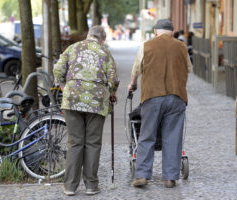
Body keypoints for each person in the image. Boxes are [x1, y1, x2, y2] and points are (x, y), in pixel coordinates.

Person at [53, 25, 119, 196]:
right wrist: (111, 93)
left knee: (75, 142)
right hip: (97, 102)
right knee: (92, 143)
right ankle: (91, 185)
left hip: (72, 99)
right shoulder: (105, 53)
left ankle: (70, 187)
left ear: (88, 35)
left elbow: (58, 69)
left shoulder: (72, 48)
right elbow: (113, 79)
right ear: (102, 39)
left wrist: (63, 87)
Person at [128, 19, 193, 188]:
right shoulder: (182, 47)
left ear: (156, 32)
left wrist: (133, 85)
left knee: (147, 135)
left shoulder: (147, 46)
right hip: (177, 96)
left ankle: (142, 175)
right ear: (171, 32)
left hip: (152, 96)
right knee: (173, 136)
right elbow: (189, 69)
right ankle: (170, 178)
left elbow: (136, 69)